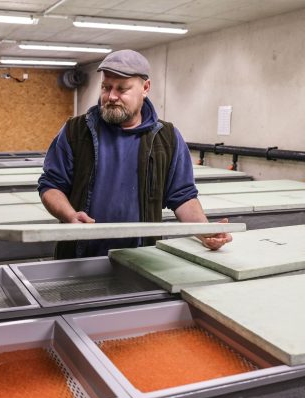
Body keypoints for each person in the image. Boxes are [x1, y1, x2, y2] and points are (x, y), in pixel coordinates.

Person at [38, 49, 232, 259]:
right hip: (78, 259)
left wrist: (204, 232)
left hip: (142, 260)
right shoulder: (76, 131)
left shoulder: (167, 138)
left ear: (145, 88)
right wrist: (69, 215)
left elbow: (183, 196)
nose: (111, 96)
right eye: (106, 87)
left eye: (122, 89)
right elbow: (51, 185)